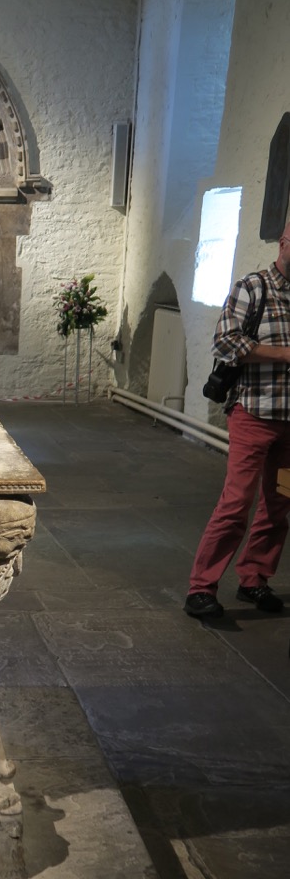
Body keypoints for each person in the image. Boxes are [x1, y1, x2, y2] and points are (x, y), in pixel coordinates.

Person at [184, 226, 290, 618]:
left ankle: (254, 579)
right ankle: (201, 588)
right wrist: (283, 354)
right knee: (235, 504)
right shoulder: (253, 287)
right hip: (253, 415)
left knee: (279, 505)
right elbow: (225, 343)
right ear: (283, 244)